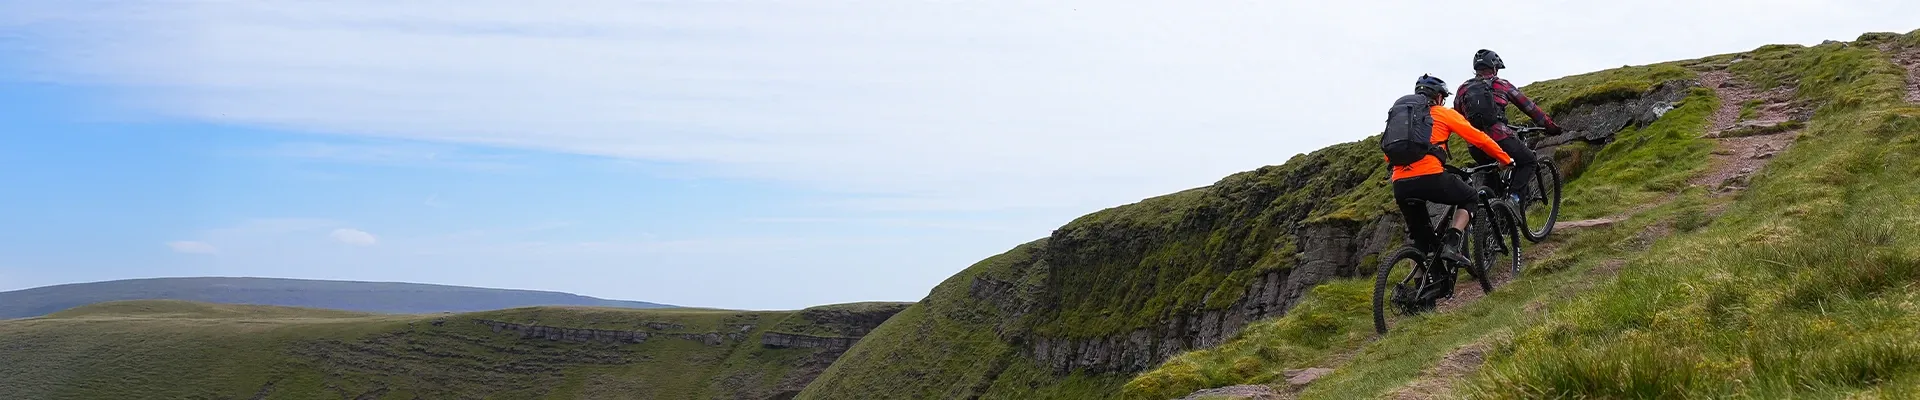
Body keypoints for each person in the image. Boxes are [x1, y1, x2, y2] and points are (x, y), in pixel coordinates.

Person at [1384, 74, 1514, 268]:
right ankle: (1452, 244)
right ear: (1437, 97)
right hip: (1430, 178)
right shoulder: (1443, 113)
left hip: (1400, 184)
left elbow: (1388, 155)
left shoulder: (1404, 121)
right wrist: (1505, 158)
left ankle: (1420, 292)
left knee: (1421, 242)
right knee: (1470, 197)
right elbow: (1479, 138)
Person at [1453, 49, 1563, 205]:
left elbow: (1458, 117)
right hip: (1500, 137)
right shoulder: (1501, 84)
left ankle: (1490, 217)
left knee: (1490, 173)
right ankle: (1514, 199)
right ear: (1494, 68)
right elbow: (1530, 108)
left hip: (1475, 144)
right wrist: (1551, 127)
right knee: (1529, 161)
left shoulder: (1462, 89)